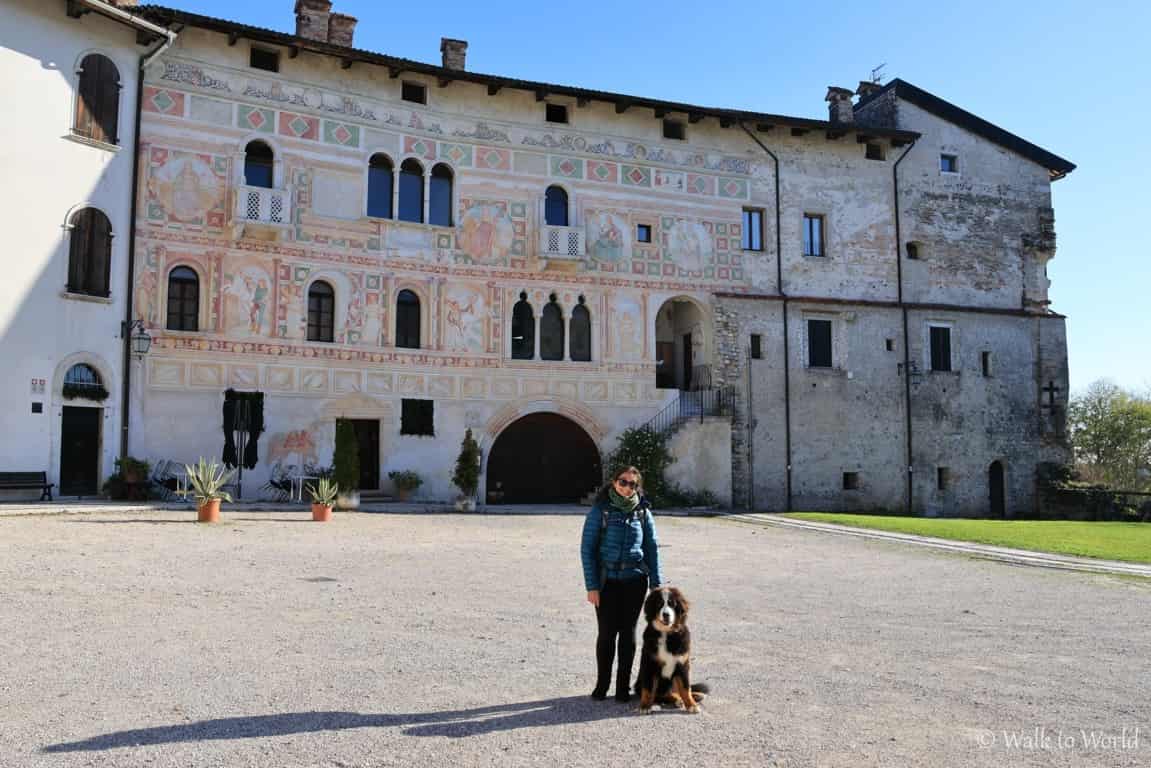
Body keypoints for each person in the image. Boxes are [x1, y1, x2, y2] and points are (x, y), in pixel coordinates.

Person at [580, 465, 663, 702]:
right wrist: (592, 586)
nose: (627, 488)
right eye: (623, 482)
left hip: (635, 580)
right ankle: (602, 685)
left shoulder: (643, 512)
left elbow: (651, 548)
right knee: (606, 634)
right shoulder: (600, 511)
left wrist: (656, 585)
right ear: (614, 482)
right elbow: (587, 550)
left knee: (628, 634)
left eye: (633, 484)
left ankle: (622, 688)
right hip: (607, 582)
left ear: (638, 487)